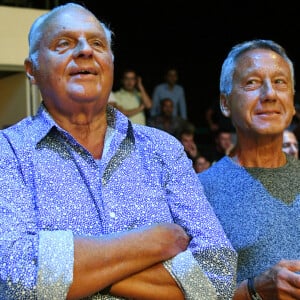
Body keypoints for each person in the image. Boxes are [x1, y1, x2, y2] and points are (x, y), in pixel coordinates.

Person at [0, 3, 237, 299]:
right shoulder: (8, 152)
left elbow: (219, 274)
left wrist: (77, 273)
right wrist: (154, 243)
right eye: (64, 43)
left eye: (97, 43)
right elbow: (14, 278)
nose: (86, 50)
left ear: (110, 62)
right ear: (32, 70)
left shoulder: (163, 149)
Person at [198, 39, 300, 300]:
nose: (269, 94)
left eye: (280, 82)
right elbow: (186, 294)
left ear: (292, 100)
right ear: (225, 103)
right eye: (252, 82)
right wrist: (253, 290)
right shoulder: (200, 191)